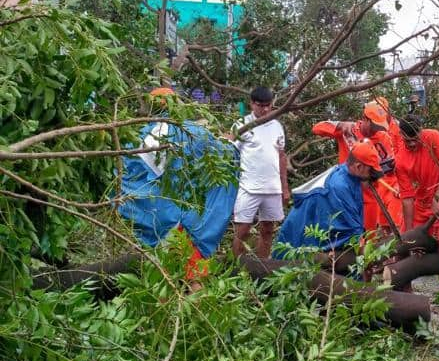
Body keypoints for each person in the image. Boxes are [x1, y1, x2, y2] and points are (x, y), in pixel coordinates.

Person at [119, 87, 238, 290]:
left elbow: (128, 177)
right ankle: (196, 317)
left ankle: (165, 317)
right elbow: (226, 157)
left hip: (157, 217)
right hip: (188, 217)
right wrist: (230, 143)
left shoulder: (140, 135)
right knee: (194, 274)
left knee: (162, 274)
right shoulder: (192, 131)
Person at [312, 103, 403, 236]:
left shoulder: (383, 137)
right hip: (346, 192)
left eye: (380, 126)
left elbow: (389, 166)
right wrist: (340, 124)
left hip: (370, 194)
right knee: (348, 235)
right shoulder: (349, 130)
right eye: (375, 125)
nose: (377, 129)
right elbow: (317, 128)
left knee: (369, 238)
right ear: (365, 119)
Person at [275, 142, 383, 253]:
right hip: (299, 239)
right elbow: (351, 231)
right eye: (371, 171)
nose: (372, 176)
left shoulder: (348, 175)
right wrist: (368, 256)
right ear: (358, 166)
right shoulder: (339, 187)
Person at [395, 115, 439, 288]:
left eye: (414, 139)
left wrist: (437, 198)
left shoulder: (433, 137)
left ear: (421, 132)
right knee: (401, 247)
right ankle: (405, 299)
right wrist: (411, 237)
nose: (411, 144)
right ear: (401, 135)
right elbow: (407, 199)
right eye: (407, 140)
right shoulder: (400, 159)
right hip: (422, 203)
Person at [231, 87, 290, 258]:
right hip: (248, 187)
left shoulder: (277, 126)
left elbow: (281, 156)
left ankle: (263, 266)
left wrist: (284, 188)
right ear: (251, 104)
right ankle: (236, 267)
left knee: (268, 230)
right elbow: (230, 153)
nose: (264, 109)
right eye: (260, 105)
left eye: (268, 105)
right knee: (241, 231)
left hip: (272, 188)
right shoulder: (241, 125)